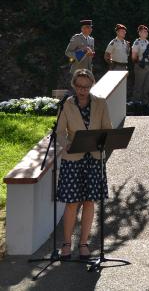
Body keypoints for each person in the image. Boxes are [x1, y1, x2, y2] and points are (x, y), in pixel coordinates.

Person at [56, 69, 111, 260]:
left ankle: (84, 244)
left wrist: (102, 141)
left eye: (86, 87)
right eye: (79, 86)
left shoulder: (101, 103)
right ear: (74, 85)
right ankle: (66, 244)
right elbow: (59, 132)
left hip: (94, 158)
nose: (82, 90)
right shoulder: (66, 105)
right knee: (72, 203)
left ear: (92, 85)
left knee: (89, 201)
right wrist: (67, 145)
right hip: (73, 159)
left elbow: (107, 130)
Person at [131, 25, 149, 106]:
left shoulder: (148, 43)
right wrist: (138, 63)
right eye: (144, 31)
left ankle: (145, 104)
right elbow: (133, 56)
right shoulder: (137, 42)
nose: (146, 33)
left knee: (147, 87)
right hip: (140, 66)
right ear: (139, 33)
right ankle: (136, 103)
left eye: (146, 31)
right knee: (138, 86)